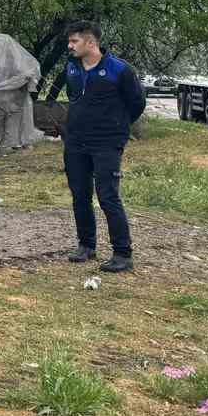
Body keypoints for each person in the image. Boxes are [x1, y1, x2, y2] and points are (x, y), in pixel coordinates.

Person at [61, 20, 146, 273]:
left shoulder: (119, 70)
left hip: (107, 142)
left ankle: (122, 253)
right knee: (80, 194)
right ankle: (86, 245)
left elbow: (136, 103)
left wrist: (117, 126)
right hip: (76, 141)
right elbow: (73, 97)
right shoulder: (72, 67)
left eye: (74, 41)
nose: (69, 46)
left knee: (107, 195)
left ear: (91, 43)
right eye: (70, 41)